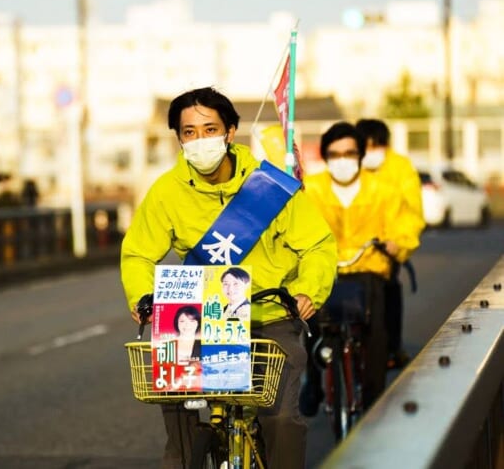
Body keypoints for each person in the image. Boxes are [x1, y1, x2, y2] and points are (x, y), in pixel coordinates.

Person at [120, 86, 337, 469]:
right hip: (200, 321)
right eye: (189, 132)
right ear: (179, 138)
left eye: (209, 129)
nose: (199, 140)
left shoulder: (271, 189)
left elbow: (318, 246)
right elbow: (138, 252)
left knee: (282, 420)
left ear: (230, 132)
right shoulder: (167, 193)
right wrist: (143, 296)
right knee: (179, 415)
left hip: (269, 316)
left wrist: (307, 292)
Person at [300, 121, 421, 415]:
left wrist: (397, 243)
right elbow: (294, 226)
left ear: (360, 155)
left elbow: (406, 223)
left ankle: (373, 400)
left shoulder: (384, 190)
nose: (342, 160)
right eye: (335, 153)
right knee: (309, 321)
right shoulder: (309, 189)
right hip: (324, 269)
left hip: (368, 270)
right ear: (326, 157)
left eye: (349, 153)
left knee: (376, 332)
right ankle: (313, 381)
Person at [355, 118, 425, 369]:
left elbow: (412, 211)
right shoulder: (349, 165)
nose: (373, 153)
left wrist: (399, 243)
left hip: (384, 247)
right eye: (368, 146)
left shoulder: (400, 168)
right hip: (349, 248)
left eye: (378, 146)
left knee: (389, 293)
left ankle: (392, 346)